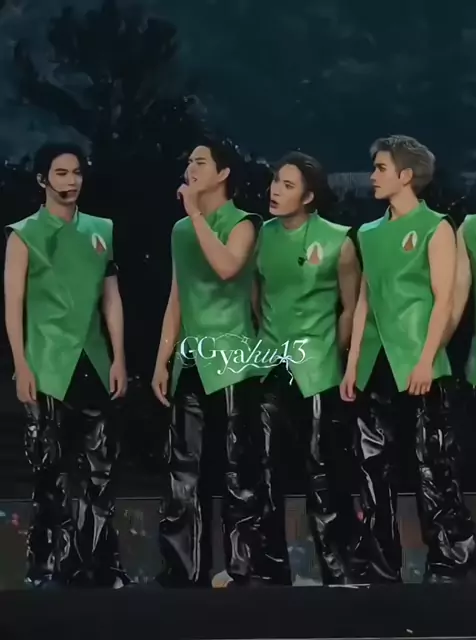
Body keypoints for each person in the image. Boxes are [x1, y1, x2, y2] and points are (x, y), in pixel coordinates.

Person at [340, 135, 475, 584]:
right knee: (370, 465)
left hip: (418, 359)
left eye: (381, 168)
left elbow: (443, 299)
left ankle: (450, 559)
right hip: (375, 361)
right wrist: (353, 363)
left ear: (406, 175)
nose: (373, 176)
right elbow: (364, 300)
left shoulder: (436, 226)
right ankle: (379, 564)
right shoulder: (368, 233)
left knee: (431, 462)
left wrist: (427, 359)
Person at [4, 143, 129, 589]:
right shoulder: (23, 235)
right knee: (50, 473)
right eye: (61, 173)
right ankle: (46, 568)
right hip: (47, 363)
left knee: (100, 471)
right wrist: (21, 365)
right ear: (43, 179)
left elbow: (111, 298)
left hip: (93, 359)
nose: (71, 181)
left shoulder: (100, 229)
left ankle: (99, 566)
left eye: (76, 172)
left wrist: (119, 357)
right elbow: (13, 304)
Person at [151, 137, 263, 587]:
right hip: (192, 358)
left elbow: (227, 267)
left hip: (233, 356)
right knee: (183, 468)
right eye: (189, 162)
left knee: (238, 468)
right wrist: (162, 359)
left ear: (223, 173)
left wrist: (196, 214)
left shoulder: (244, 223)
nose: (191, 169)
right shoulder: (180, 230)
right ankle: (184, 567)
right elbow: (177, 297)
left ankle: (242, 566)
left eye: (201, 162)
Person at [252, 152, 361, 585]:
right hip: (269, 363)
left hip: (318, 366)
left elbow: (350, 307)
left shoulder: (338, 240)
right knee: (265, 469)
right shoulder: (261, 236)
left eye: (288, 185)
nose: (275, 191)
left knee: (322, 471)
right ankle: (270, 567)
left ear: (309, 196)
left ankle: (336, 566)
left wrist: (331, 351)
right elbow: (256, 296)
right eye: (275, 181)